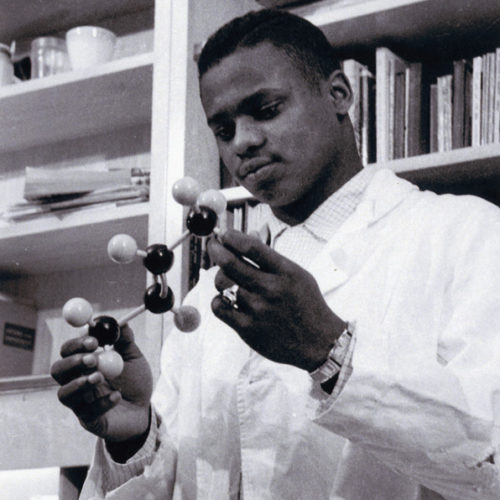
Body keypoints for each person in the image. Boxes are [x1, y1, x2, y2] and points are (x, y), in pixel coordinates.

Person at [50, 9, 500, 500]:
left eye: (265, 109)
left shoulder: (468, 235)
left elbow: (489, 462)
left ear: (338, 95)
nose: (243, 141)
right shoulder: (206, 296)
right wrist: (132, 433)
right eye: (223, 130)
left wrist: (330, 353)